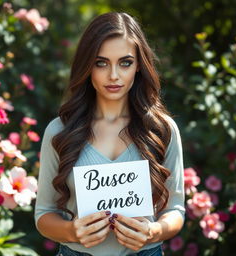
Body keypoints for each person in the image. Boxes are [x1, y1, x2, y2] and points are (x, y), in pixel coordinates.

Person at [35, 12, 185, 256]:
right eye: (101, 62)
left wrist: (153, 231)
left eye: (125, 62)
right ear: (87, 67)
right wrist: (72, 231)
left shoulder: (162, 129)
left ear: (139, 66)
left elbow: (175, 210)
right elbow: (44, 214)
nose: (113, 75)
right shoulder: (59, 130)